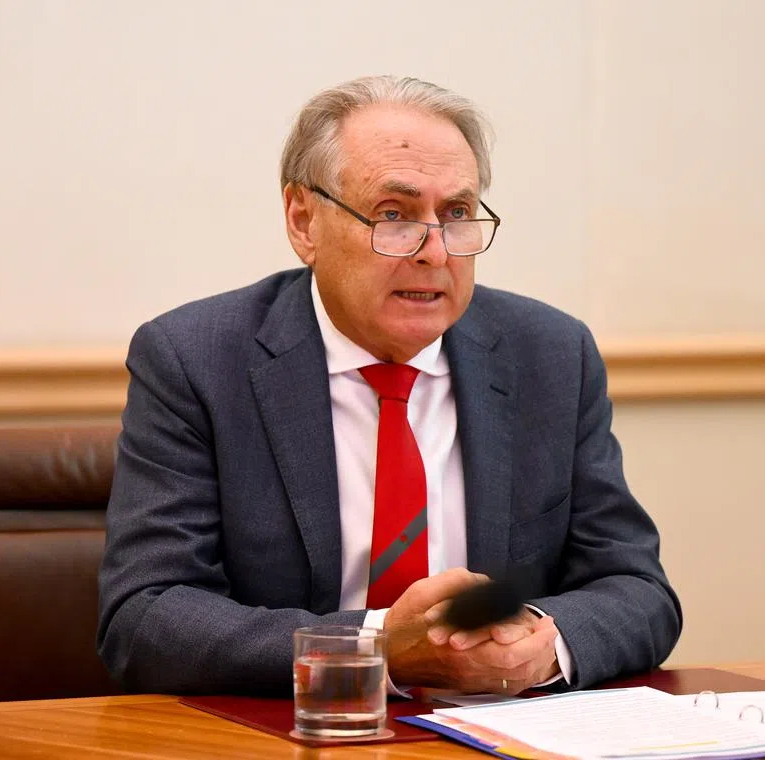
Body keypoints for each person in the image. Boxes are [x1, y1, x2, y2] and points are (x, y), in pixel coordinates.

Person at [97, 75, 682, 697]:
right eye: (394, 215)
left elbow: (637, 588)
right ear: (304, 221)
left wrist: (540, 643)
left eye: (456, 215)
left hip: (497, 731)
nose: (434, 252)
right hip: (296, 732)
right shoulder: (196, 359)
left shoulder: (551, 355)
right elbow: (146, 616)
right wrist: (375, 647)